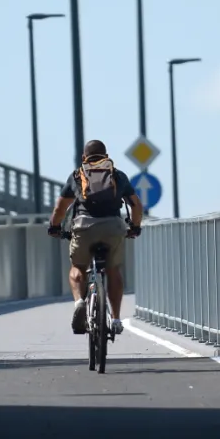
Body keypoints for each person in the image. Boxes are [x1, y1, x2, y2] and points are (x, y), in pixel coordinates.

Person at [47, 139, 143, 336]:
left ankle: (80, 302)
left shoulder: (76, 176)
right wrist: (134, 227)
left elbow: (60, 209)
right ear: (106, 156)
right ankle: (115, 319)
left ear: (84, 157)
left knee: (78, 268)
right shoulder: (117, 175)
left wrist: (55, 227)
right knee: (113, 269)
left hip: (84, 227)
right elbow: (136, 205)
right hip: (113, 227)